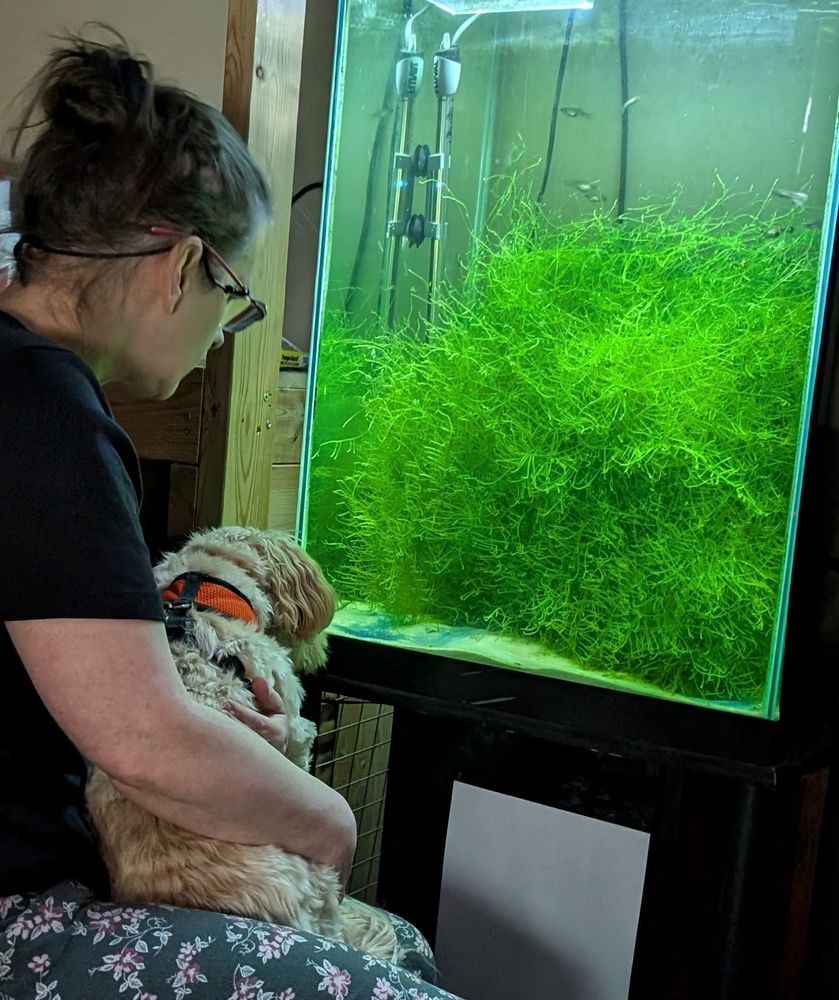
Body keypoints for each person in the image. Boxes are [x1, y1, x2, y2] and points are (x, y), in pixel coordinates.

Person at [0, 31, 461, 1000]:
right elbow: (145, 743)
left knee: (397, 942)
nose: (221, 333)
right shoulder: (42, 411)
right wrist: (327, 820)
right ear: (181, 268)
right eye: (235, 295)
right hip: (15, 913)